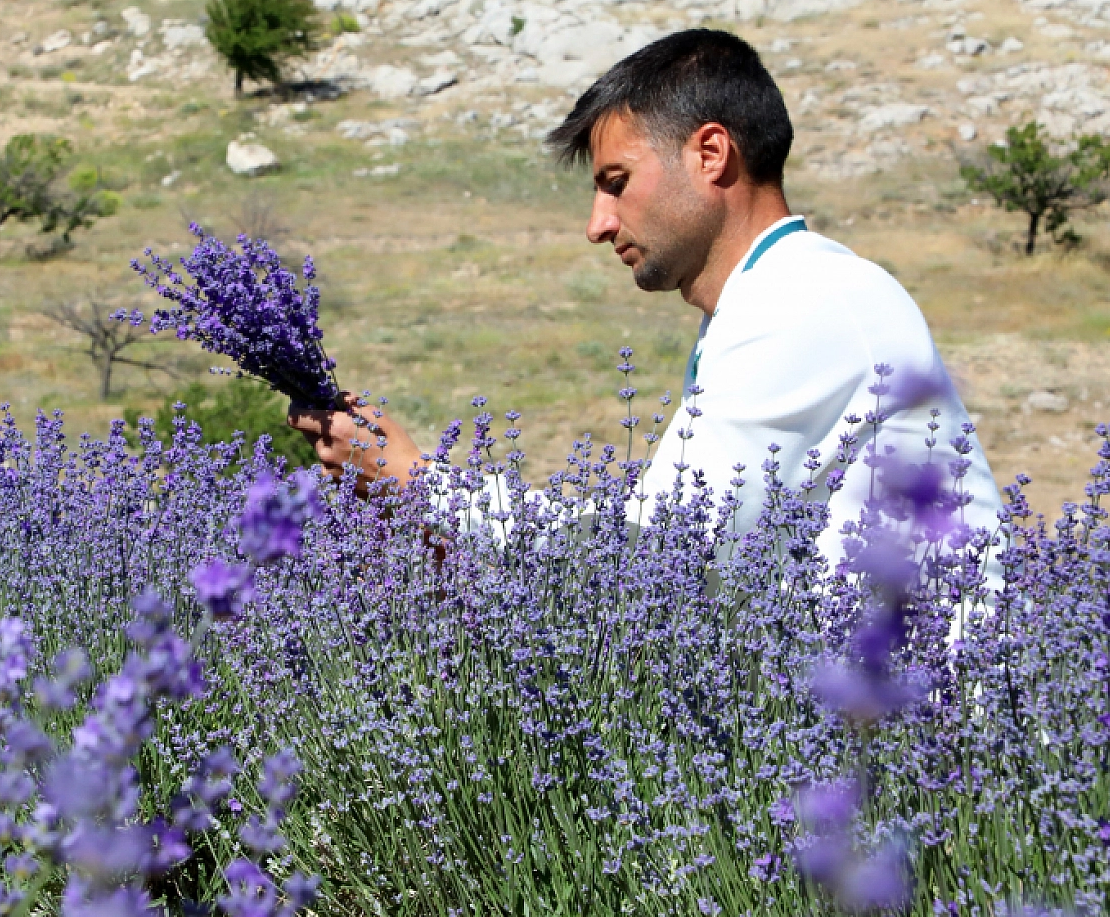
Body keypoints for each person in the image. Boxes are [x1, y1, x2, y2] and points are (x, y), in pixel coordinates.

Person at [288, 29, 1003, 567]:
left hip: (929, 746)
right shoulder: (776, 298)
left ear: (711, 154)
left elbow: (650, 554)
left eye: (616, 181)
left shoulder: (804, 303)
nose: (597, 225)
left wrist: (418, 481)